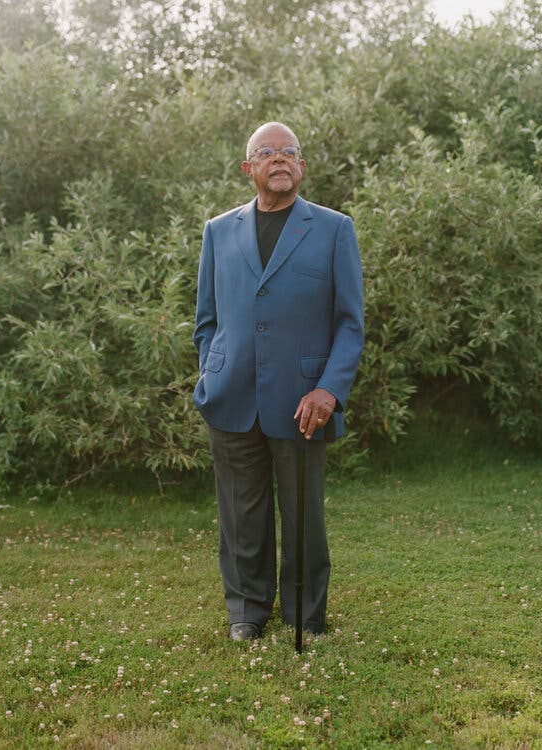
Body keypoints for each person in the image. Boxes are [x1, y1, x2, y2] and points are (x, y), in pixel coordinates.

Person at [193, 122, 364, 641]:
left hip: (303, 399)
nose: (280, 159)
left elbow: (350, 322)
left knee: (303, 515)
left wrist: (329, 390)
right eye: (267, 153)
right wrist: (213, 369)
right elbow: (206, 319)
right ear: (249, 169)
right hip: (231, 397)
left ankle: (304, 615)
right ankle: (246, 612)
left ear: (302, 167)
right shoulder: (218, 232)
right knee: (241, 516)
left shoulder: (334, 229)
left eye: (289, 152)